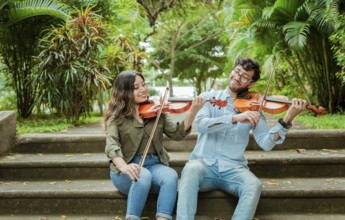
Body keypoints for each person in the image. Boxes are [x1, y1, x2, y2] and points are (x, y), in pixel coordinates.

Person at [176, 57, 307, 220]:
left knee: (254, 185)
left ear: (251, 83)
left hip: (233, 168)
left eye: (244, 76)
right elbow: (202, 125)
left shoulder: (254, 107)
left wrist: (287, 119)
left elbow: (266, 143)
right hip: (204, 165)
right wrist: (236, 118)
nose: (238, 77)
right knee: (190, 169)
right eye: (237, 71)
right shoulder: (209, 97)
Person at [104, 70, 205, 220]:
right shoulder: (116, 117)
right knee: (142, 175)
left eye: (143, 85)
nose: (143, 89)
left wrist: (193, 111)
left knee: (170, 176)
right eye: (136, 87)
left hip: (154, 165)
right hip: (126, 170)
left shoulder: (157, 110)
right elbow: (111, 147)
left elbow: (177, 134)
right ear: (124, 92)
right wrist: (124, 167)